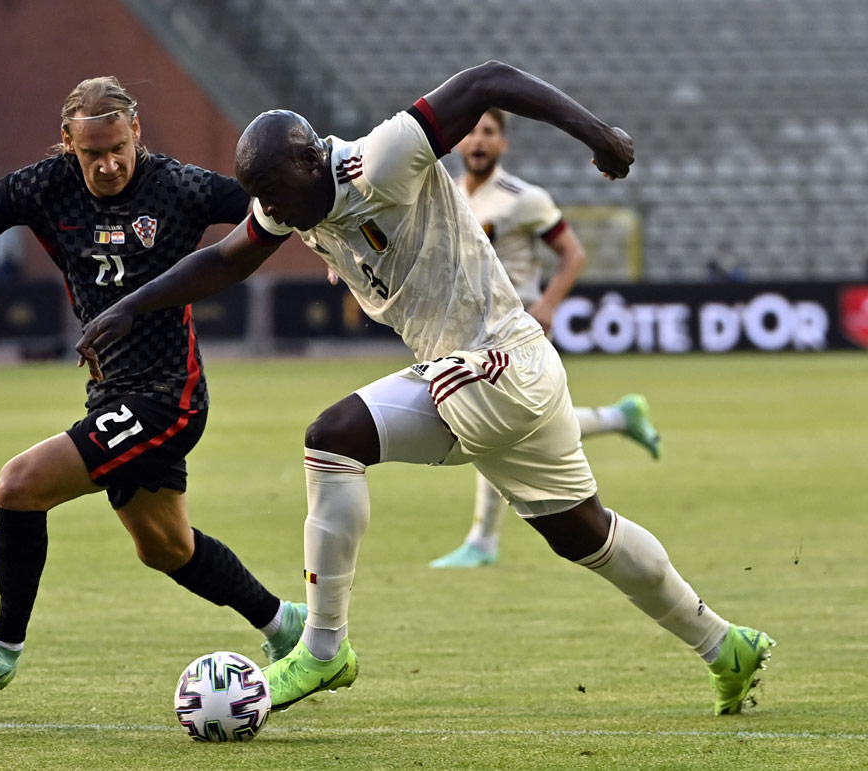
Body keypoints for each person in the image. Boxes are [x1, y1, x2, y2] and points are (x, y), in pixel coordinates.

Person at [77, 60, 774, 716]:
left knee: (333, 438)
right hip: (498, 370)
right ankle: (726, 643)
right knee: (585, 533)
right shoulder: (290, 201)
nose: (270, 212)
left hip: (497, 361)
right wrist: (130, 305)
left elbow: (489, 79)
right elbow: (227, 259)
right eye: (262, 200)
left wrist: (599, 134)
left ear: (309, 161)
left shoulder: (379, 158)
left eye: (276, 195)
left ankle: (322, 649)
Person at [0, 76, 305, 700]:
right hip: (112, 393)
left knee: (19, 485)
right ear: (67, 143)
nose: (108, 164)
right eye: (92, 153)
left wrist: (326, 239)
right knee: (164, 547)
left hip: (168, 395)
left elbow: (277, 194)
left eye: (118, 148)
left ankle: (2, 648)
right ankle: (283, 622)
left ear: (136, 131)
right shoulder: (44, 187)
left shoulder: (177, 186)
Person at [429, 109, 660, 569]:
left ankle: (483, 541)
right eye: (471, 131)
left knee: (491, 430)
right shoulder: (445, 195)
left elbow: (572, 253)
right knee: (524, 429)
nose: (478, 141)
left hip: (512, 333)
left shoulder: (524, 198)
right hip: (466, 330)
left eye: (489, 132)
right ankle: (620, 416)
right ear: (457, 142)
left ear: (503, 144)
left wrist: (549, 304)